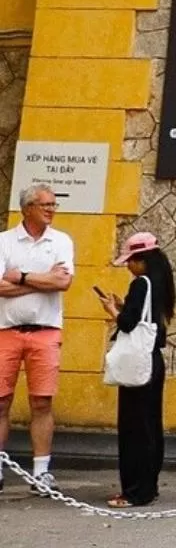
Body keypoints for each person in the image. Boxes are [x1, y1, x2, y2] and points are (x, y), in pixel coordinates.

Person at [0, 183, 75, 494]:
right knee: (1, 401)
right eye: (45, 205)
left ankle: (41, 472)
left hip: (45, 330)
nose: (51, 210)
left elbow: (63, 282)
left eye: (54, 204)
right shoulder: (4, 241)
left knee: (42, 401)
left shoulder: (61, 241)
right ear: (27, 208)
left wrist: (22, 277)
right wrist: (43, 281)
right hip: (6, 330)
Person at [94, 233, 175, 507]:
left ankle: (134, 491)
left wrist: (112, 310)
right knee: (150, 426)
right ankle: (148, 486)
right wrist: (124, 306)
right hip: (153, 360)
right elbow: (145, 319)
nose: (128, 266)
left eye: (131, 260)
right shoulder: (160, 283)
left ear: (143, 260)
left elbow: (128, 324)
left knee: (134, 428)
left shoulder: (141, 284)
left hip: (137, 363)